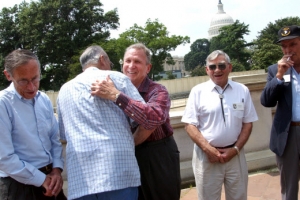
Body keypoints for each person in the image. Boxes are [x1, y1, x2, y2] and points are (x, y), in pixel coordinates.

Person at [91, 43, 181, 200]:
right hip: (126, 155)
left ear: (148, 68)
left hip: (157, 156)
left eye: (137, 62)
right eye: (128, 61)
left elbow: (153, 117)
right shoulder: (111, 87)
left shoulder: (158, 91)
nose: (131, 66)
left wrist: (117, 97)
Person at [57, 45, 146, 200]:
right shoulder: (117, 78)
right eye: (109, 61)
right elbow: (145, 117)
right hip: (118, 172)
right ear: (102, 59)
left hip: (81, 178)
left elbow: (64, 134)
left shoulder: (64, 90)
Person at [181, 50, 258, 200]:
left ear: (230, 67)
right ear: (207, 70)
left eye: (222, 66)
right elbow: (189, 125)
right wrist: (209, 150)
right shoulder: (198, 92)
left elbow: (248, 123)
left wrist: (235, 150)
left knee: (239, 197)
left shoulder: (242, 90)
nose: (217, 70)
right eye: (212, 66)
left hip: (235, 155)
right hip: (207, 157)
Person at [0, 49, 66, 200]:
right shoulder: (3, 104)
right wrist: (42, 180)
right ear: (8, 75)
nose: (31, 87)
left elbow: (54, 140)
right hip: (18, 186)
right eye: (23, 81)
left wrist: (56, 170)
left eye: (35, 78)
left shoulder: (43, 99)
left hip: (50, 179)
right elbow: (4, 158)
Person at [260, 25, 300, 199]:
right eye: (284, 46)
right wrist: (279, 76)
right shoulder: (275, 70)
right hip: (287, 134)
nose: (288, 50)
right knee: (289, 188)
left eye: (293, 44)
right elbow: (266, 101)